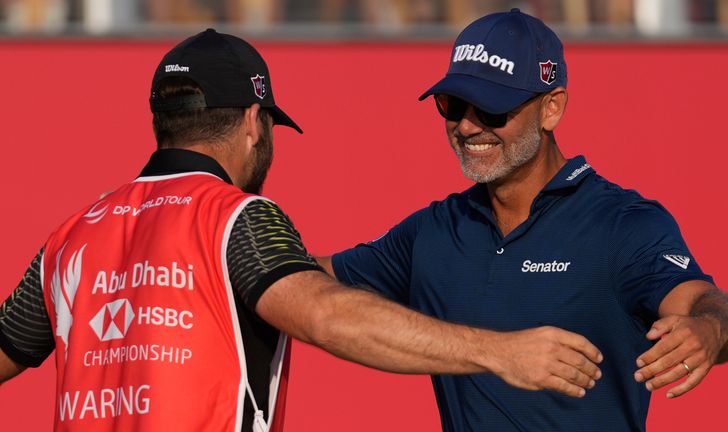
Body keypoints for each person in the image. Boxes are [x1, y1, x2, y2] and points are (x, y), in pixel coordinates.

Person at [0, 29, 608, 432]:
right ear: (250, 123)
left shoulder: (72, 237)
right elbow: (325, 315)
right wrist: (498, 351)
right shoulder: (236, 218)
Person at [320, 9, 728, 432]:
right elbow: (310, 284)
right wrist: (253, 229)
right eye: (452, 105)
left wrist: (708, 329)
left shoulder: (623, 223)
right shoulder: (434, 230)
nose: (467, 126)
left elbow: (706, 304)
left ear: (551, 109)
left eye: (490, 109)